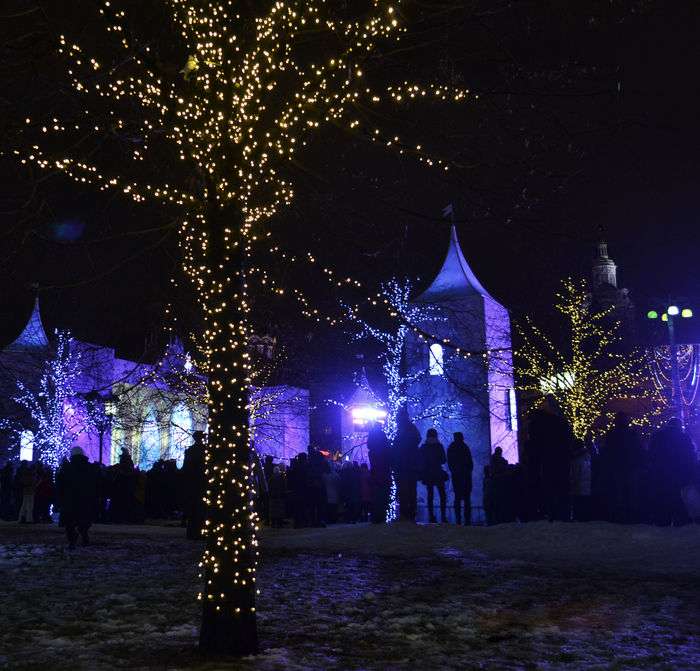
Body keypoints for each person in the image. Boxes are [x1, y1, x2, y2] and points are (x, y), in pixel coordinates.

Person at [648, 418, 698, 525]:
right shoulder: (683, 437)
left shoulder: (657, 436)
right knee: (677, 497)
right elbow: (690, 455)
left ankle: (662, 521)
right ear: (679, 426)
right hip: (678, 473)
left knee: (663, 497)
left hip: (660, 473)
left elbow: (651, 453)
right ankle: (680, 522)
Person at [598, 412, 642, 523]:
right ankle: (631, 516)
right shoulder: (632, 434)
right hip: (630, 466)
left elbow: (606, 450)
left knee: (618, 491)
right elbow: (639, 449)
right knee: (630, 492)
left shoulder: (612, 433)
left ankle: (618, 516)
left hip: (617, 467)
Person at [56, 446, 98, 549]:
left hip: (69, 499)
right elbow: (96, 484)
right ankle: (84, 536)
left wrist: (59, 499)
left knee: (69, 522)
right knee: (84, 520)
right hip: (85, 499)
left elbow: (60, 485)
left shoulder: (66, 468)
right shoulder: (90, 468)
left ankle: (72, 540)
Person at [393, 409, 422, 522]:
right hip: (409, 465)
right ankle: (410, 513)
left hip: (403, 465)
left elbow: (397, 447)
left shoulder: (402, 430)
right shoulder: (411, 429)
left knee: (404, 490)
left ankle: (405, 514)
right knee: (410, 490)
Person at [182, 432, 206, 539]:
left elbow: (185, 468)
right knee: (200, 508)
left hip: (192, 482)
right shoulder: (206, 451)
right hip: (201, 482)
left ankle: (192, 532)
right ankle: (199, 532)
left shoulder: (190, 451)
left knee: (193, 508)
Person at [420, 428, 448, 523]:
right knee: (442, 494)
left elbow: (421, 460)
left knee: (430, 495)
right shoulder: (439, 446)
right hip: (438, 472)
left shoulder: (424, 447)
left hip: (428, 473)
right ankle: (443, 516)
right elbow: (443, 459)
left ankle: (431, 516)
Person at [447, 432, 473, 525]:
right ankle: (467, 520)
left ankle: (458, 519)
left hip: (456, 475)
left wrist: (453, 470)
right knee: (466, 498)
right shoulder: (465, 447)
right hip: (466, 476)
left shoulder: (452, 447)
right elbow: (470, 462)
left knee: (457, 497)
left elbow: (449, 462)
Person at [367, 424, 392, 524]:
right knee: (383, 493)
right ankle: (381, 515)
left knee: (376, 494)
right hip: (384, 470)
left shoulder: (372, 446)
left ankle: (376, 516)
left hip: (376, 471)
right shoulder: (383, 439)